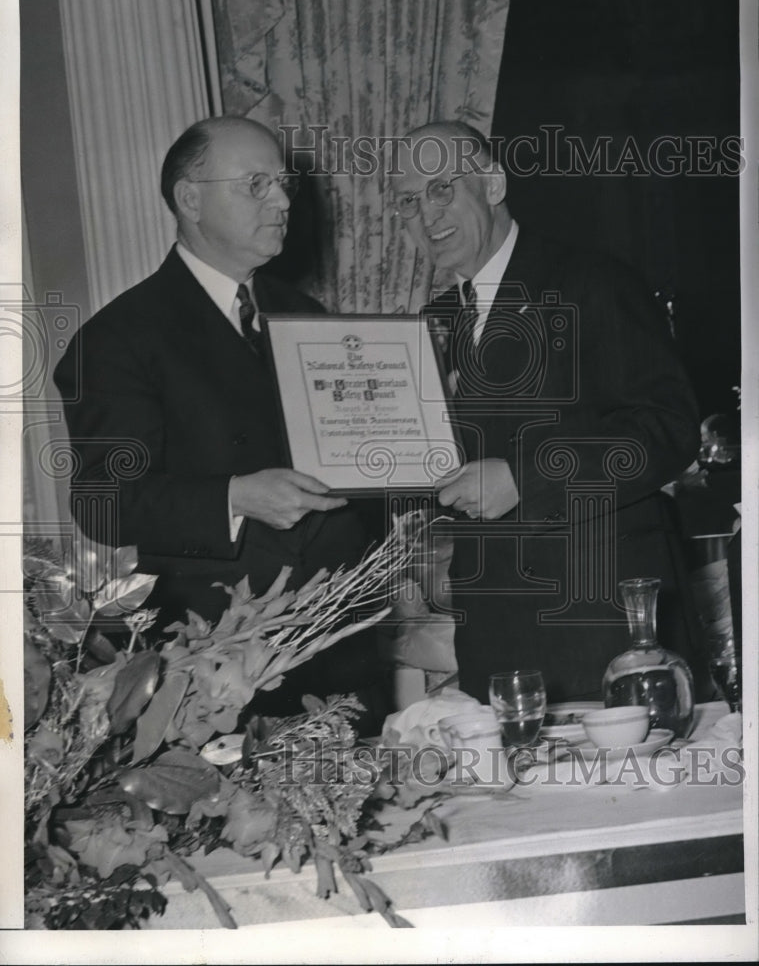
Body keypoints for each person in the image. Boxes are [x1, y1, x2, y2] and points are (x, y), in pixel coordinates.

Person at [54, 116, 381, 716]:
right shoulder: (117, 339)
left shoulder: (310, 316)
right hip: (215, 661)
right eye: (257, 184)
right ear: (190, 199)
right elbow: (102, 498)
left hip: (344, 636)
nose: (283, 200)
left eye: (283, 184)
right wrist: (233, 497)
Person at [391, 120, 710, 703]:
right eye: (408, 202)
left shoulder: (593, 282)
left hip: (604, 626)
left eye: (441, 188)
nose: (425, 215)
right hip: (495, 637)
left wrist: (524, 478)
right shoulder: (435, 323)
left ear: (491, 184)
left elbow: (667, 428)